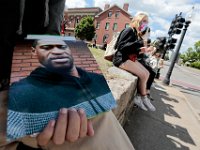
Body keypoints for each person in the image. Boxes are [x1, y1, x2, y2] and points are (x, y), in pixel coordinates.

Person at [2, 39, 135, 150]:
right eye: (47, 47)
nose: (57, 51)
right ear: (34, 51)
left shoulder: (98, 79)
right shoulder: (19, 94)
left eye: (62, 46)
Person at [112, 12, 156, 111]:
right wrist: (140, 42)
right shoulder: (129, 30)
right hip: (121, 59)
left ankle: (141, 97)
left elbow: (132, 50)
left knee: (147, 73)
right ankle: (142, 97)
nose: (146, 24)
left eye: (147, 22)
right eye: (144, 21)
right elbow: (121, 47)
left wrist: (142, 50)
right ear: (138, 20)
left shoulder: (136, 33)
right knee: (144, 75)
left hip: (129, 58)